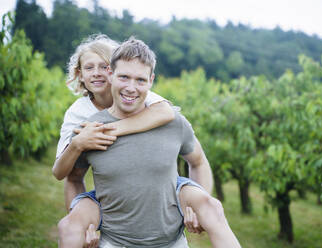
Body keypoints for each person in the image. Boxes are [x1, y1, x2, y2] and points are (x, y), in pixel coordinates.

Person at [53, 35, 241, 248]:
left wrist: (195, 209)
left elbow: (196, 159)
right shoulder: (86, 125)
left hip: (170, 225)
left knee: (212, 207)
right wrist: (81, 222)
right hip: (114, 228)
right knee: (67, 227)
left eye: (140, 80)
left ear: (151, 81)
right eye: (124, 77)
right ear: (112, 75)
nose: (132, 87)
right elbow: (70, 177)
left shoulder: (167, 116)